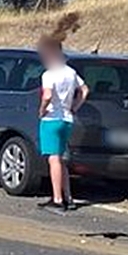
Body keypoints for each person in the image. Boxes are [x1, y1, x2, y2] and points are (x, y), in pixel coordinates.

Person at [36, 13, 88, 213]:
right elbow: (85, 90)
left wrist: (41, 111)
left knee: (53, 159)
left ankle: (57, 200)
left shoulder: (48, 74)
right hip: (67, 118)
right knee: (61, 159)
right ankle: (68, 196)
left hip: (52, 119)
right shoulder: (71, 72)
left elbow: (47, 95)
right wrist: (75, 106)